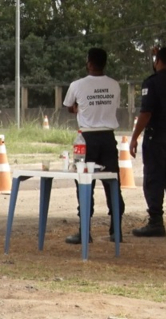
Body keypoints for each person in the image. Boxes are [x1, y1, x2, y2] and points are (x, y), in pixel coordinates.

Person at [62, 47, 124, 244]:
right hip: (108, 138)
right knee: (113, 183)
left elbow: (69, 107)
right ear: (105, 63)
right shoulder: (115, 85)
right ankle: (116, 230)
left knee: (85, 183)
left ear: (89, 63)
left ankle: (85, 231)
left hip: (86, 139)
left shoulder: (77, 85)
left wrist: (80, 108)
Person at [128, 46, 166, 237]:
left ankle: (156, 221)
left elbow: (146, 113)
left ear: (158, 62)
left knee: (154, 177)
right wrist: (163, 56)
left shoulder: (151, 83)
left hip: (157, 138)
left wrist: (134, 137)